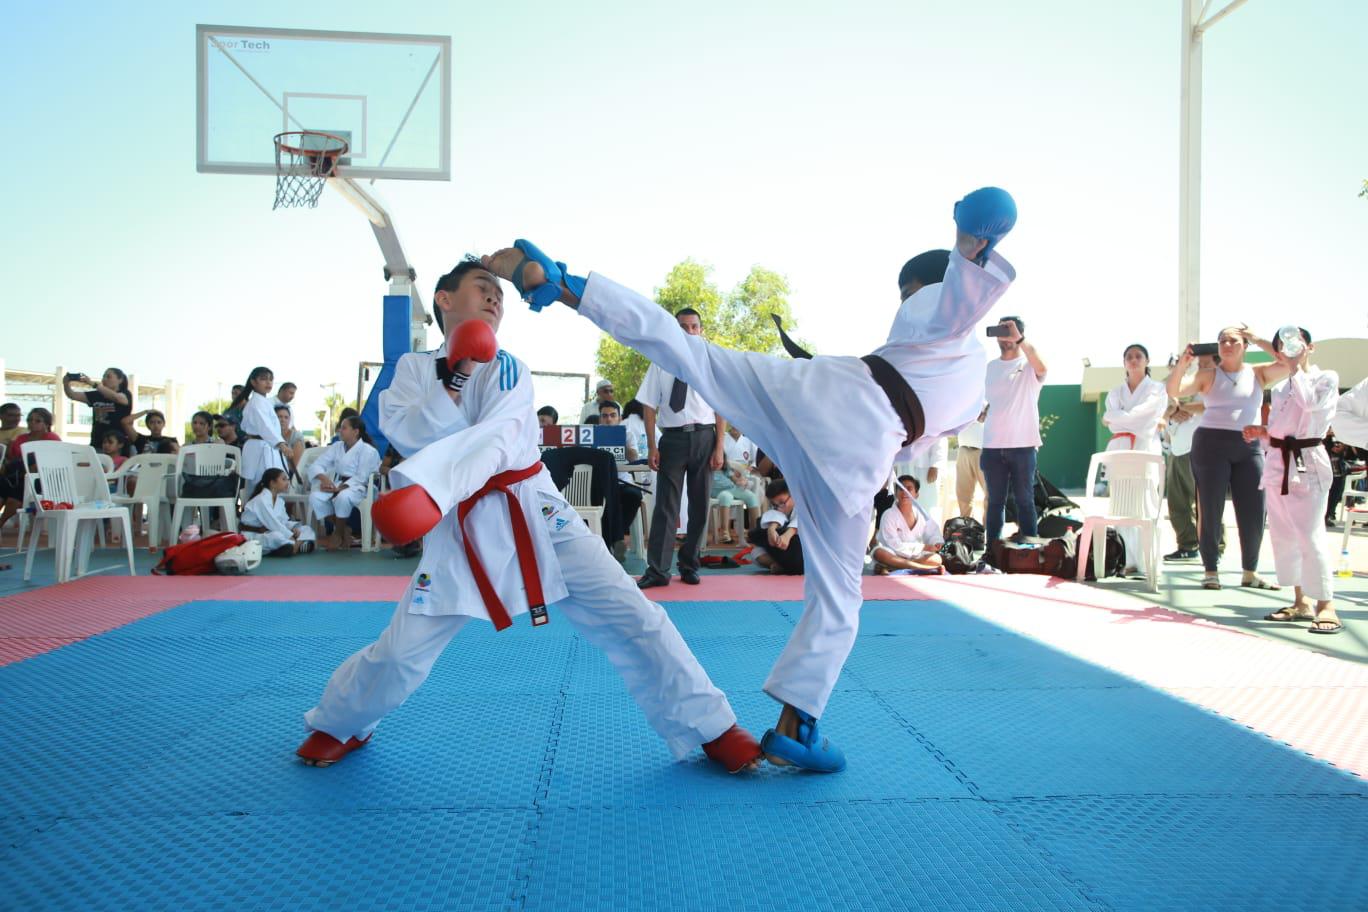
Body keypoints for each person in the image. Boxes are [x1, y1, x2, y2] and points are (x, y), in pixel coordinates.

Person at [483, 185, 1016, 772]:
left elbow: (954, 300)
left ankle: (568, 284)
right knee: (840, 597)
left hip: (830, 395)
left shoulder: (941, 311)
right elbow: (954, 318)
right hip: (862, 448)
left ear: (917, 288)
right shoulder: (955, 333)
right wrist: (972, 247)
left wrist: (970, 247)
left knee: (693, 354)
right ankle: (799, 723)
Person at [296, 258, 761, 774]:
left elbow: (496, 441)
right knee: (401, 651)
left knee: (635, 614)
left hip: (535, 510)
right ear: (444, 300)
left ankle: (713, 726)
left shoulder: (509, 366)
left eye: (499, 292)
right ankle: (340, 722)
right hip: (462, 525)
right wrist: (454, 376)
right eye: (481, 287)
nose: (495, 298)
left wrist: (430, 491)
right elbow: (404, 432)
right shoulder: (410, 370)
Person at [1167, 326, 1290, 590]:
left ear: (1244, 345)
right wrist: (1182, 363)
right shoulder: (1207, 374)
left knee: (1255, 510)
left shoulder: (1258, 373)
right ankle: (1211, 569)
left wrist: (1257, 338)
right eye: (1222, 340)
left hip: (1248, 446)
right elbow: (1175, 389)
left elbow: (1288, 362)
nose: (1226, 344)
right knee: (1210, 508)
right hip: (1211, 445)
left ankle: (1250, 571)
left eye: (1233, 340)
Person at [1242, 328, 1342, 633]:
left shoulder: (1327, 377)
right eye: (1281, 346)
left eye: (1295, 342)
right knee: (1284, 536)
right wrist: (1264, 434)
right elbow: (1282, 429)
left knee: (1311, 535)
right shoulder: (1283, 388)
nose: (1288, 348)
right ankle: (1301, 601)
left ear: (1308, 346)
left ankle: (1326, 604)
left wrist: (1296, 366)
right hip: (1279, 463)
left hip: (1307, 461)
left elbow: (1311, 405)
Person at [634, 308, 727, 589]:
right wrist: (652, 444)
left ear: (701, 330)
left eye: (693, 326)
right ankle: (659, 570)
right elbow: (649, 406)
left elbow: (721, 406)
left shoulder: (710, 362)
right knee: (666, 505)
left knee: (700, 505)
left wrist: (719, 446)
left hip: (704, 437)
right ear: (674, 330)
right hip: (672, 439)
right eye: (683, 327)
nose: (688, 332)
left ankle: (690, 565)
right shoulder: (660, 360)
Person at [1100, 343, 1167, 575]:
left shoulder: (1156, 389)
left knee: (1146, 503)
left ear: (1147, 361)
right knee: (1121, 503)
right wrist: (1124, 420)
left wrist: (1118, 418)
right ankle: (1127, 560)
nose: (1134, 360)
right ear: (1124, 363)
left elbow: (1144, 419)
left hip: (1146, 447)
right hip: (1120, 448)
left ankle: (1150, 562)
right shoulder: (1115, 392)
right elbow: (1111, 418)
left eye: (1139, 356)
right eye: (1129, 356)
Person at [980, 316, 1047, 547]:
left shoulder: (1029, 365)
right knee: (995, 501)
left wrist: (1020, 339)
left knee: (1025, 500)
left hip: (1023, 445)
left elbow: (1042, 368)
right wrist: (979, 412)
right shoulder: (989, 368)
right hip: (991, 446)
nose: (1005, 335)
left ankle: (1031, 548)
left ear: (1019, 334)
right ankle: (993, 550)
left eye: (1009, 330)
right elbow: (981, 401)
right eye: (1002, 329)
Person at [309, 415, 381, 551]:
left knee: (343, 496)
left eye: (344, 428)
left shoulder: (368, 450)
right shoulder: (337, 446)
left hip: (360, 487)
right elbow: (317, 464)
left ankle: (337, 533)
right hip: (338, 483)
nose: (340, 431)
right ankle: (343, 529)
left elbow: (362, 476)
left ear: (356, 431)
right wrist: (325, 479)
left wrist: (340, 489)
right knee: (315, 497)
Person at [227, 367, 292, 494]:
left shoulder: (263, 402)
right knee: (260, 487)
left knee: (270, 488)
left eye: (271, 380)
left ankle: (269, 513)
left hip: (267, 446)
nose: (268, 383)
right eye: (263, 379)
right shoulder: (256, 403)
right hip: (260, 448)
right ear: (253, 382)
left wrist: (279, 443)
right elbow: (265, 426)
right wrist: (281, 444)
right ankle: (255, 513)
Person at [0, 408, 62, 535]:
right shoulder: (21, 438)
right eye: (29, 420)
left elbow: (52, 462)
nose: (32, 423)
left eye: (37, 420)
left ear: (47, 424)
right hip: (17, 477)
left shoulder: (51, 438)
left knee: (14, 495)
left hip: (42, 479)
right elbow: (12, 460)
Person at [598, 398, 645, 561]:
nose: (609, 419)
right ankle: (614, 542)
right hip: (599, 485)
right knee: (602, 502)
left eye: (612, 415)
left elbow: (633, 458)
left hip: (622, 483)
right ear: (600, 418)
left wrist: (618, 442)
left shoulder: (628, 434)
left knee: (634, 495)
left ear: (619, 418)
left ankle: (617, 538)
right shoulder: (590, 434)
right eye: (604, 416)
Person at [241, 467, 317, 556]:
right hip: (254, 535)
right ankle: (297, 546)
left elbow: (283, 521)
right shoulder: (261, 500)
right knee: (277, 537)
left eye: (287, 479)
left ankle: (294, 546)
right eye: (284, 479)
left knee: (307, 529)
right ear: (272, 483)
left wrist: (292, 529)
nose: (287, 482)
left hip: (272, 531)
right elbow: (273, 523)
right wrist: (290, 535)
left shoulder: (279, 501)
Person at [63, 368, 131, 454]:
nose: (104, 379)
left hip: (118, 446)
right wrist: (66, 383)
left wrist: (92, 383)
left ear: (120, 380)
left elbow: (117, 398)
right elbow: (72, 395)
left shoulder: (125, 394)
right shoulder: (96, 395)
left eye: (108, 377)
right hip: (97, 443)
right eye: (103, 377)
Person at [712, 425, 762, 543]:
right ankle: (725, 531)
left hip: (731, 487)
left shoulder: (725, 464)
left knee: (751, 496)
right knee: (726, 496)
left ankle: (755, 531)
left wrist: (740, 481)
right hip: (717, 491)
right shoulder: (706, 464)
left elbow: (732, 477)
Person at [748, 479, 803, 574]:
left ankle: (787, 566)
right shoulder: (778, 510)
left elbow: (801, 520)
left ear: (793, 494)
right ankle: (780, 565)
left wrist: (788, 534)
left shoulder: (804, 505)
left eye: (782, 502)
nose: (779, 508)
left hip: (803, 550)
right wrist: (771, 529)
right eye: (774, 504)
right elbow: (775, 514)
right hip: (783, 551)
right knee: (756, 553)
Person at [954, 407, 987, 518]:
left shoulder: (990, 392)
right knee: (963, 496)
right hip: (963, 447)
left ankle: (990, 532)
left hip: (984, 449)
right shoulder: (962, 394)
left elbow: (983, 417)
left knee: (990, 496)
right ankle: (967, 528)